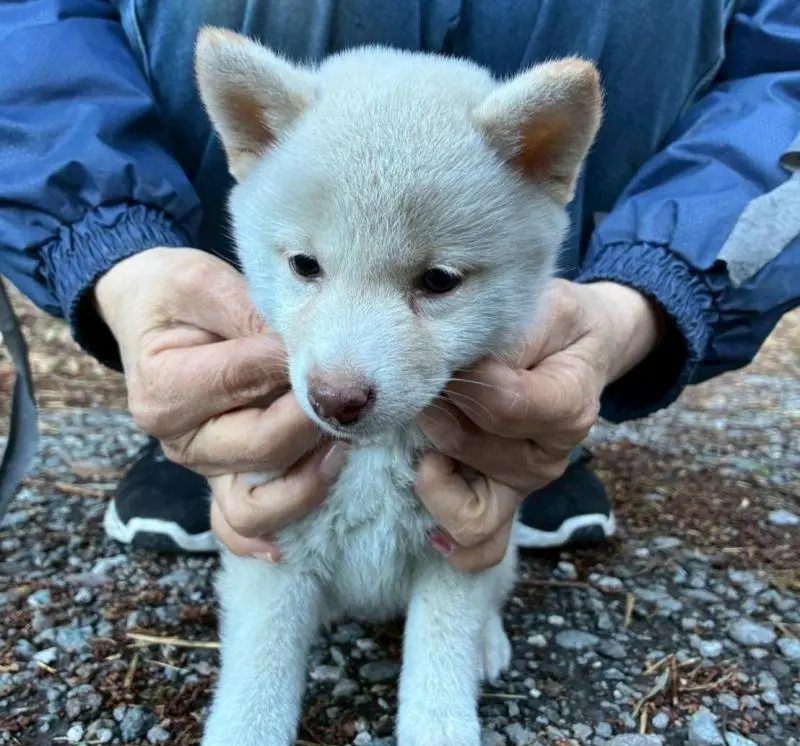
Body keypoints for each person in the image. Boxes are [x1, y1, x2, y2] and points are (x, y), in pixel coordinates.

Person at [0, 0, 798, 572]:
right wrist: (113, 248)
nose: (342, 374)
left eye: (437, 280)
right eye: (306, 267)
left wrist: (646, 294)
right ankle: (213, 408)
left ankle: (530, 414)